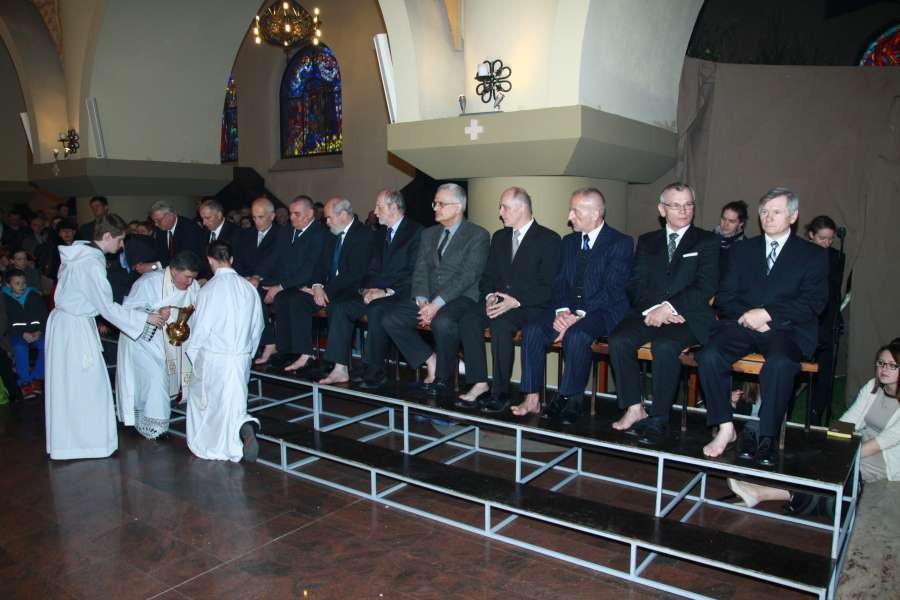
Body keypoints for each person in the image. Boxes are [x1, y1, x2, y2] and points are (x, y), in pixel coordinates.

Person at [699, 187, 828, 466]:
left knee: (781, 364)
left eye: (776, 212)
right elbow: (724, 297)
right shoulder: (742, 250)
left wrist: (768, 315)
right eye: (764, 212)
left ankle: (766, 436)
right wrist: (749, 317)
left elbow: (813, 303)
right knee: (709, 355)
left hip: (787, 329)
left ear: (793, 216)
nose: (768, 217)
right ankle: (725, 427)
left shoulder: (813, 255)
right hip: (743, 324)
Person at [45, 215, 166, 460]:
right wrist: (144, 318)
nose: (121, 246)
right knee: (88, 386)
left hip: (66, 325)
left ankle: (71, 443)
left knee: (71, 386)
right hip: (74, 328)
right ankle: (88, 444)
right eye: (120, 240)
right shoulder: (90, 262)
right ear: (108, 236)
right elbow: (106, 307)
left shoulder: (77, 255)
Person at [726, 343, 900, 513]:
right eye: (881, 363)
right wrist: (828, 441)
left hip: (885, 457)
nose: (884, 369)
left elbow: (883, 442)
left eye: (893, 365)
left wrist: (840, 456)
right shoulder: (872, 386)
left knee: (838, 470)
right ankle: (762, 486)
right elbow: (850, 420)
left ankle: (760, 493)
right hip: (861, 439)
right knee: (814, 452)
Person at [609, 182, 719, 443]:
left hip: (688, 316)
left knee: (665, 345)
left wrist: (669, 307)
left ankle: (659, 418)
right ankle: (634, 408)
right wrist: (654, 310)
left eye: (688, 204)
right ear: (662, 209)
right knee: (619, 339)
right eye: (676, 205)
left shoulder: (707, 241)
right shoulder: (648, 241)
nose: (684, 210)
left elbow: (706, 285)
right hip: (650, 312)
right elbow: (635, 284)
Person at [513, 188, 632, 423]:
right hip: (567, 308)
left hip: (603, 310)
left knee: (576, 336)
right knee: (532, 330)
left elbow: (612, 289)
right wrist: (561, 311)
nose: (569, 217)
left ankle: (569, 398)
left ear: (596, 213)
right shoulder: (568, 241)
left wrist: (577, 316)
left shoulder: (620, 242)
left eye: (575, 211)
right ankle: (532, 397)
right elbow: (559, 282)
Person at [455, 187, 561, 412]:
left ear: (522, 208)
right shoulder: (500, 237)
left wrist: (515, 301)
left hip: (528, 306)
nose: (500, 212)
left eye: (504, 207)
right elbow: (487, 276)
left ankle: (500, 392)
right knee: (468, 319)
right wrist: (489, 295)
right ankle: (480, 382)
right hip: (498, 301)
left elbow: (548, 287)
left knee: (501, 325)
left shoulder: (549, 239)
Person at [383, 183, 490, 395]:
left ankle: (443, 379)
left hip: (461, 297)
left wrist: (436, 304)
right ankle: (430, 359)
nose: (435, 208)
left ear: (458, 207)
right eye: (435, 203)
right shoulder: (429, 234)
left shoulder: (478, 235)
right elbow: (420, 270)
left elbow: (467, 276)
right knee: (391, 319)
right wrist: (422, 299)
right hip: (429, 298)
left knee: (443, 321)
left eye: (441, 204)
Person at [317, 190, 422, 386]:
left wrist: (385, 291)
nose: (375, 211)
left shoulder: (416, 232)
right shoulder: (380, 234)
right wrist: (366, 289)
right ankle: (340, 368)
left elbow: (413, 273)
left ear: (393, 207)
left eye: (379, 207)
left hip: (400, 294)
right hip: (375, 292)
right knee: (339, 307)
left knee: (376, 309)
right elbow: (371, 268)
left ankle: (374, 369)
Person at [184, 241, 264, 463]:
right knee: (234, 402)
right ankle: (241, 427)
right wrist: (248, 353)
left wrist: (192, 354)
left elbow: (201, 329)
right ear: (232, 260)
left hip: (215, 357)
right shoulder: (248, 288)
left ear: (210, 260)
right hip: (240, 357)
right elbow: (258, 325)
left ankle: (218, 445)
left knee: (209, 406)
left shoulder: (208, 290)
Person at [115, 248, 200, 440]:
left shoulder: (193, 286)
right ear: (174, 271)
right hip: (145, 342)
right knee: (155, 380)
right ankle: (155, 427)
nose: (190, 282)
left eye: (193, 278)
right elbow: (127, 312)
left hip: (175, 344)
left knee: (166, 378)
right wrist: (154, 314)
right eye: (187, 277)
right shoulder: (148, 282)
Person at [282, 196, 373, 373]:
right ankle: (305, 354)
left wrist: (325, 291)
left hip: (351, 290)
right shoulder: (332, 233)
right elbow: (320, 264)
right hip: (327, 289)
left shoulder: (364, 234)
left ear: (344, 215)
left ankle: (335, 364)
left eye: (329, 217)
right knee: (296, 300)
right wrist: (316, 285)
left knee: (337, 307)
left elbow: (354, 273)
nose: (326, 222)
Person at [260, 195, 327, 368]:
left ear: (310, 214)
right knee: (258, 293)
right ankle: (279, 347)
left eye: (297, 214)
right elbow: (274, 258)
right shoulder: (287, 231)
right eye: (291, 213)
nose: (291, 218)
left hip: (309, 284)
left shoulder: (319, 233)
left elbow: (310, 268)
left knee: (289, 299)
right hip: (288, 282)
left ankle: (301, 352)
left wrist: (280, 286)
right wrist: (257, 277)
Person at [805, 215, 845, 425]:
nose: (827, 243)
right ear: (811, 235)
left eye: (830, 239)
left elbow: (835, 292)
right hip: (804, 321)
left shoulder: (837, 257)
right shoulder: (799, 253)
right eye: (822, 238)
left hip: (827, 322)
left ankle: (816, 414)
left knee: (825, 371)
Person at [3, 268, 48, 398]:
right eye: (17, 283)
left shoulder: (34, 296)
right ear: (8, 285)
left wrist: (39, 331)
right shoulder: (4, 299)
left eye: (23, 283)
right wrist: (22, 334)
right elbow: (6, 322)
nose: (21, 286)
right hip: (17, 334)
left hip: (36, 332)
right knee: (19, 348)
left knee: (46, 345)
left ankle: (36, 378)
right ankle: (25, 382)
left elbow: (44, 316)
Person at [149, 200, 206, 266]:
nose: (156, 224)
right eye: (154, 221)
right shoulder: (160, 231)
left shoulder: (190, 228)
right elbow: (160, 254)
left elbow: (186, 258)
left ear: (170, 215)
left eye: (158, 221)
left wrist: (156, 265)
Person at [715, 200, 748, 278]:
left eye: (731, 221)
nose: (726, 224)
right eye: (723, 219)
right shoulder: (707, 240)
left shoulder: (745, 247)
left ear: (740, 224)